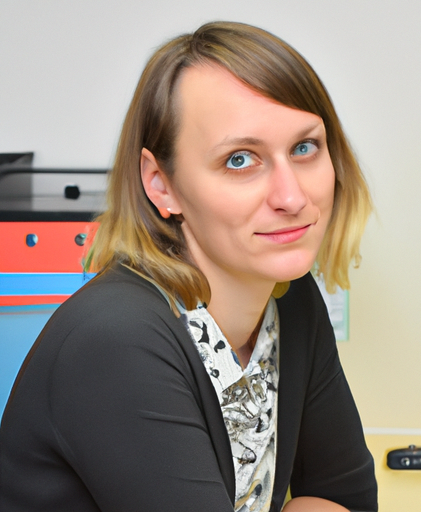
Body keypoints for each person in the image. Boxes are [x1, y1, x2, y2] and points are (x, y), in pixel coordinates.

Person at [0, 21, 377, 512]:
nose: (292, 197)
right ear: (162, 185)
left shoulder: (291, 296)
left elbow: (341, 495)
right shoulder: (117, 341)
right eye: (240, 160)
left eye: (304, 148)